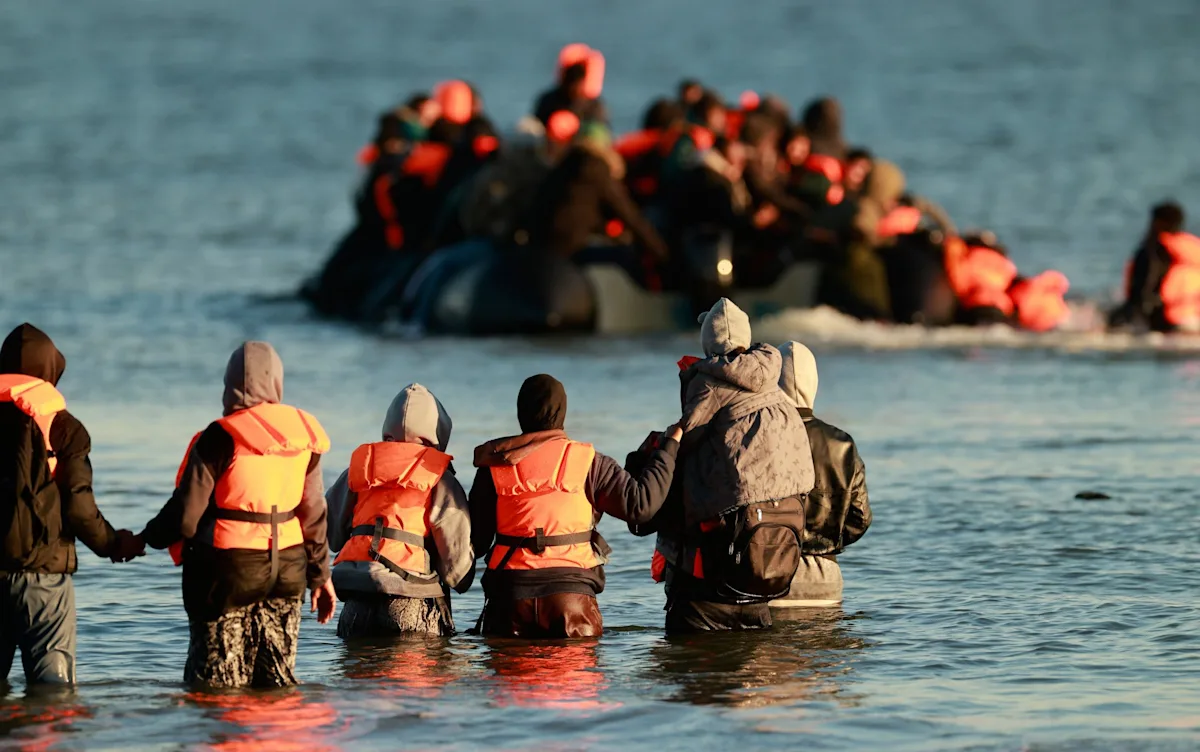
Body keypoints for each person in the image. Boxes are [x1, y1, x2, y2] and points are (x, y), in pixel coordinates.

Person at [141, 342, 336, 688]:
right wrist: (320, 577)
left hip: (227, 573)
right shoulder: (302, 436)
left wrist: (143, 539)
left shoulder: (220, 437)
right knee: (277, 684)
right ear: (277, 381)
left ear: (228, 385)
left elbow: (186, 516)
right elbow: (314, 513)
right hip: (288, 572)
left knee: (216, 688)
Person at [468, 374, 680, 638]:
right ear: (562, 413)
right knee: (572, 678)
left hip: (510, 601)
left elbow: (474, 542)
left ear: (521, 413)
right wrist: (668, 448)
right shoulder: (590, 462)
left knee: (512, 678)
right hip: (572, 603)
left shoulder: (495, 466)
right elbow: (641, 506)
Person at [651, 299, 815, 633]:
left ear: (706, 344)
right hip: (768, 569)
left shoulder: (708, 387)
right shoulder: (779, 397)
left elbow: (680, 460)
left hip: (711, 585)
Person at [0, 324, 143, 686]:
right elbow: (79, 508)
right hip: (43, 581)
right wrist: (113, 544)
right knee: (52, 698)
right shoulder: (63, 428)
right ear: (50, 370)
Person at [326, 384, 473, 638]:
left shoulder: (359, 471)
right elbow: (455, 571)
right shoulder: (438, 477)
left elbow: (332, 536)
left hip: (355, 606)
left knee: (357, 676)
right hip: (409, 607)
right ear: (435, 437)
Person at [772, 342, 871, 609]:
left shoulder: (762, 438)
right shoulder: (843, 443)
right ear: (813, 382)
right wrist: (828, 543)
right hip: (826, 581)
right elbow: (860, 518)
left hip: (772, 575)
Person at [521, 123, 669, 267]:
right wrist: (661, 252)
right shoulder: (596, 169)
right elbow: (629, 215)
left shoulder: (567, 164)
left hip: (543, 247)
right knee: (626, 254)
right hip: (568, 251)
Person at [814, 159, 907, 320]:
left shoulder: (858, 204)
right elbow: (862, 230)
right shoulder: (866, 209)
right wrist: (888, 239)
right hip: (857, 275)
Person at [1109, 201, 1200, 331]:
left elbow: (1143, 292)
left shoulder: (1153, 251)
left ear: (1157, 223)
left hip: (1167, 321)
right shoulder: (1192, 248)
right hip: (1194, 319)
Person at [533, 44, 606, 127]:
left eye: (578, 78)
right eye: (571, 78)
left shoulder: (595, 106)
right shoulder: (548, 100)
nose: (574, 85)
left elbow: (601, 132)